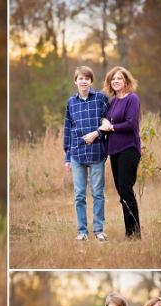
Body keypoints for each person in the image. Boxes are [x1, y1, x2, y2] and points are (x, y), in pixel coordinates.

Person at [63, 65, 110, 241]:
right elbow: (68, 129)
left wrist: (97, 134)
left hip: (97, 153)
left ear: (91, 81)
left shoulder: (100, 99)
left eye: (87, 78)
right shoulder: (71, 103)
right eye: (80, 78)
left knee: (98, 193)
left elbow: (108, 124)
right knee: (79, 195)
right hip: (77, 155)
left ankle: (99, 230)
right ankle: (82, 231)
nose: (84, 81)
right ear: (75, 81)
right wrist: (67, 156)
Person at [99, 66, 142, 239]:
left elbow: (131, 124)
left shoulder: (132, 98)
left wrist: (112, 127)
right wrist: (104, 121)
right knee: (122, 192)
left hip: (128, 149)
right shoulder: (114, 101)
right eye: (112, 79)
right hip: (115, 151)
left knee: (126, 190)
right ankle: (129, 232)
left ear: (126, 81)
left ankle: (135, 234)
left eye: (119, 78)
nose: (115, 81)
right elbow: (106, 120)